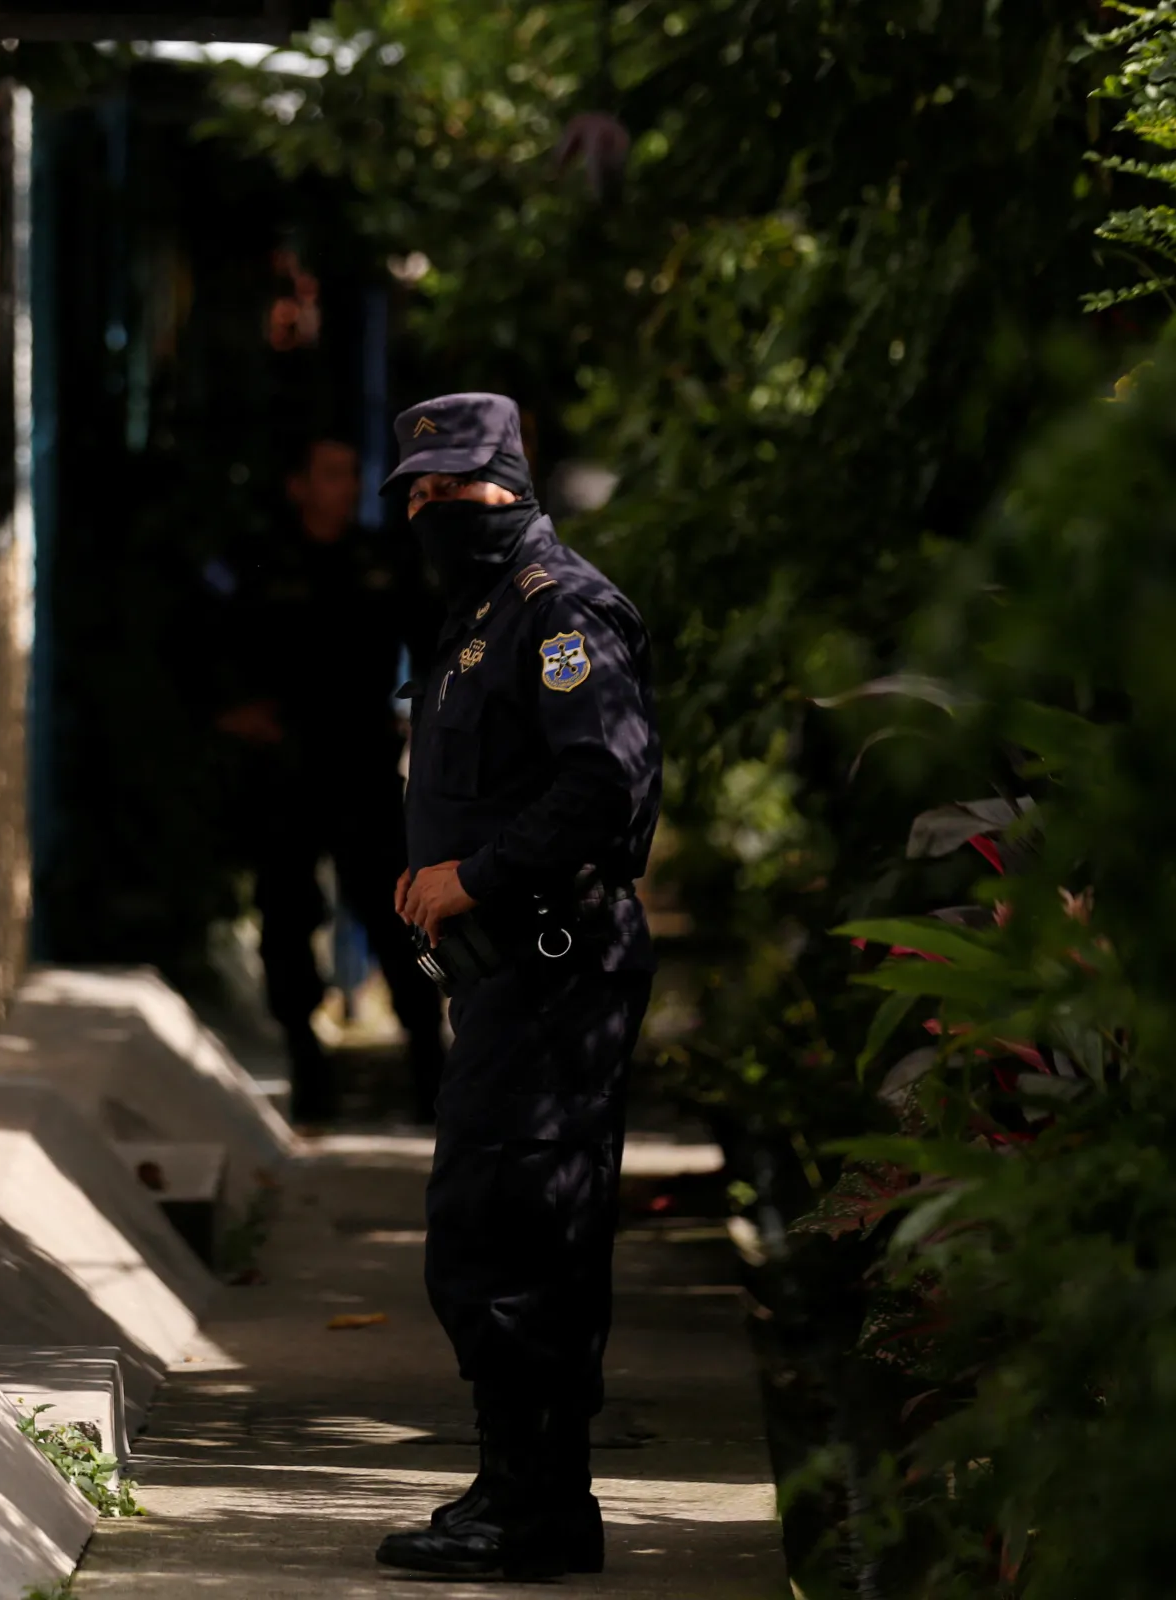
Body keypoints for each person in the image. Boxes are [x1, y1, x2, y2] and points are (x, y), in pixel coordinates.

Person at [374, 393, 662, 1578]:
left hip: (558, 969)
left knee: (522, 1228)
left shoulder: (560, 610)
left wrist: (473, 876)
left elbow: (607, 788)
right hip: (510, 976)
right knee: (489, 1228)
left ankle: (541, 1508)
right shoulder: (477, 611)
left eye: (463, 487)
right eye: (422, 494)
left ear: (517, 485)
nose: (442, 509)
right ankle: (514, 1484)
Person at [210, 434, 446, 1124]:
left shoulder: (381, 559)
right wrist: (232, 710)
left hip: (365, 765)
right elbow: (199, 638)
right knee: (287, 920)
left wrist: (431, 713)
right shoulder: (258, 560)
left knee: (400, 915)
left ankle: (430, 1065)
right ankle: (308, 1071)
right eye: (333, 474)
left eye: (351, 473)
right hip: (286, 769)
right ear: (298, 486)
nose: (347, 486)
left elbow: (439, 637)